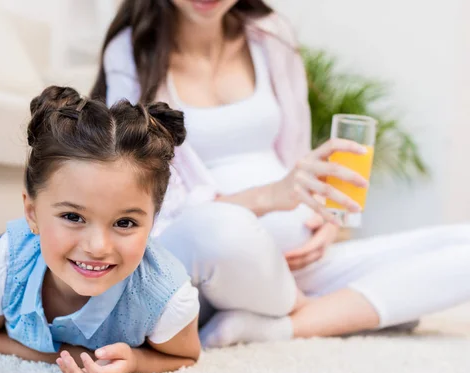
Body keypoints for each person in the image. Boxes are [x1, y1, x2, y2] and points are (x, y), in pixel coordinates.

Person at [91, 0, 470, 347]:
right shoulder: (131, 50)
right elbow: (142, 191)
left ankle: (283, 324)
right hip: (213, 259)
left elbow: (297, 155)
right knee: (220, 229)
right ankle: (346, 311)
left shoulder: (270, 34)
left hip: (294, 260)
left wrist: (323, 215)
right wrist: (269, 197)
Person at [0, 86, 201, 373]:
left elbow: (185, 355)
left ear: (154, 220)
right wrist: (65, 355)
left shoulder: (165, 295)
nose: (97, 247)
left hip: (41, 253)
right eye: (73, 217)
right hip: (15, 267)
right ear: (32, 212)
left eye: (125, 223)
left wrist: (134, 362)